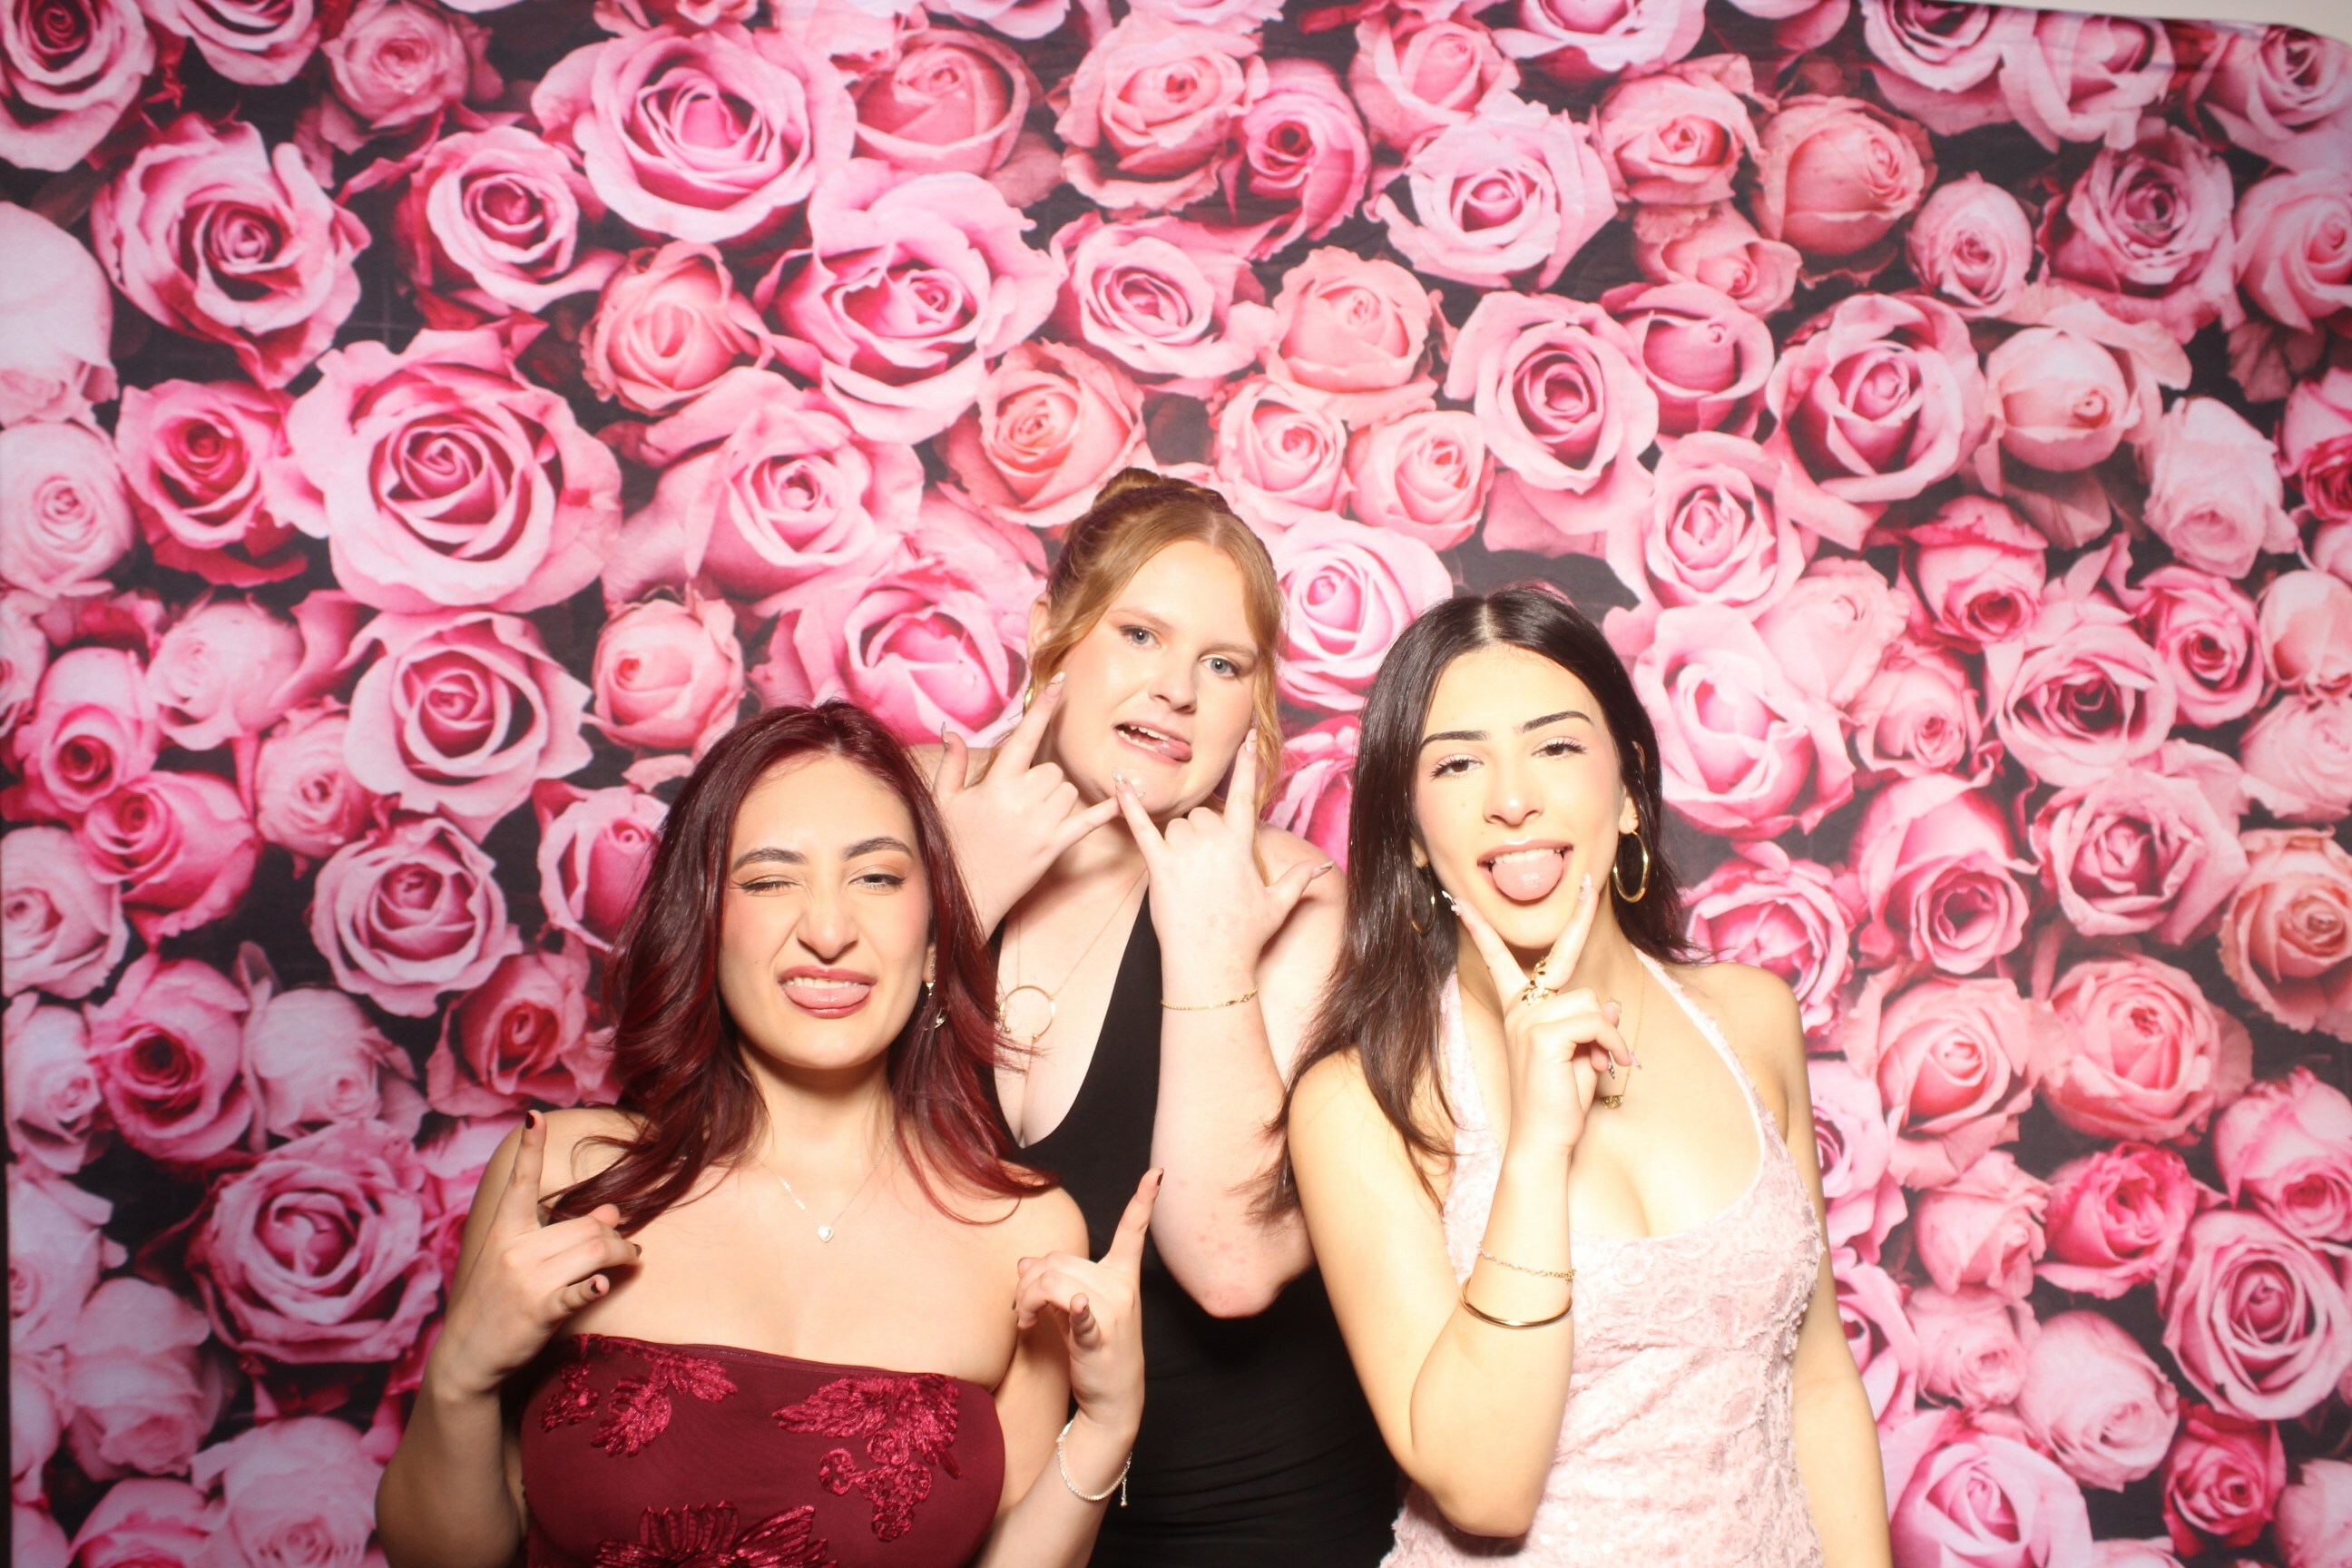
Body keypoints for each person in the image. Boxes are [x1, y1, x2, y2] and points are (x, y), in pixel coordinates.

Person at [377, 701, 1159, 1568]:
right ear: (704, 926)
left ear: (938, 939)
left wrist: (1108, 1424)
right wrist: (461, 1375)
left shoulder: (1025, 1235)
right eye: (768, 881)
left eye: (876, 878)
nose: (827, 931)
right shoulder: (563, 1174)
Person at [1282, 589, 1889, 1566]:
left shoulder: (1751, 1018)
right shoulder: (1363, 1101)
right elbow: (1484, 1489)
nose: (1512, 798)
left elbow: (1815, 1384)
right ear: (1410, 832)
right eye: (1457, 762)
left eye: (1556, 746)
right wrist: (1533, 1152)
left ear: (1630, 788)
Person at [916, 470, 1398, 1567]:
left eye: (1224, 665)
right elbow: (762, 1128)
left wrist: (1211, 951)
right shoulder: (915, 811)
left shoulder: (1288, 897)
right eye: (1140, 634)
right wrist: (955, 905)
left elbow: (1231, 1266)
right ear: (1050, 632)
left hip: (1244, 1519)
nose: (1177, 690)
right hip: (970, 1512)